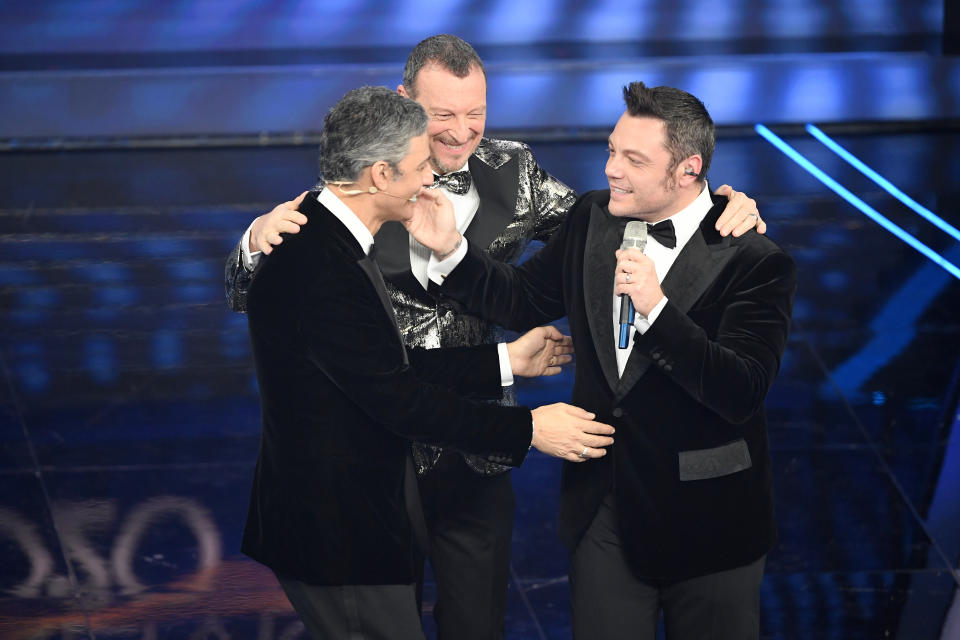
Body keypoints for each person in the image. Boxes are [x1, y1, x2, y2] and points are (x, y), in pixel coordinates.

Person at [226, 35, 765, 639]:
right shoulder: (359, 178)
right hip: (372, 457)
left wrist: (715, 207)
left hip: (475, 446)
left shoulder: (515, 170)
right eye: (442, 116)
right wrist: (254, 243)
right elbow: (264, 301)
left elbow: (613, 222)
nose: (460, 133)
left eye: (475, 113)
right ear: (404, 108)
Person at [408, 81, 797, 640]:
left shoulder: (755, 260)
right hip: (603, 506)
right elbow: (522, 299)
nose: (611, 169)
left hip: (712, 520)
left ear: (688, 170)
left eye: (633, 159)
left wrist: (657, 312)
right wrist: (451, 251)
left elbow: (741, 391)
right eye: (612, 149)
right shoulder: (593, 216)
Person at [241, 85, 615, 639]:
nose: (430, 178)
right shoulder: (320, 266)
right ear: (380, 176)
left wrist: (504, 362)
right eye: (419, 167)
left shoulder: (332, 240)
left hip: (358, 523)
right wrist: (530, 426)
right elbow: (400, 400)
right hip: (340, 536)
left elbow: (390, 367)